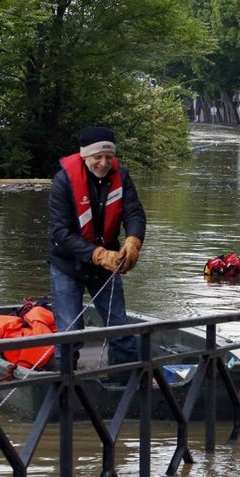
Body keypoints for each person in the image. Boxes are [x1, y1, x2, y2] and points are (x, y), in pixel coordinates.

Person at [47, 126, 146, 372]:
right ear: (84, 156)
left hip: (107, 265)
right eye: (97, 157)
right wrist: (97, 254)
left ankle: (127, 381)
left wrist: (133, 240)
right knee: (70, 333)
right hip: (68, 265)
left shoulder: (121, 177)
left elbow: (134, 213)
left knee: (120, 327)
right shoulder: (63, 181)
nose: (103, 163)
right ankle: (63, 386)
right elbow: (60, 233)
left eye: (109, 157)